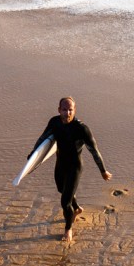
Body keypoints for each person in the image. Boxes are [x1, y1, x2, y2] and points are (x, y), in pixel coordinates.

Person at [31, 96, 112, 243]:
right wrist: (33, 156)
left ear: (75, 110)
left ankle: (68, 229)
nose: (67, 113)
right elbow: (43, 139)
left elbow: (94, 150)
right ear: (59, 110)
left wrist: (103, 171)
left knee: (64, 202)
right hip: (60, 164)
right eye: (64, 109)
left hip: (75, 167)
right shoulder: (54, 122)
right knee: (62, 190)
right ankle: (77, 208)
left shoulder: (81, 128)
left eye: (70, 110)